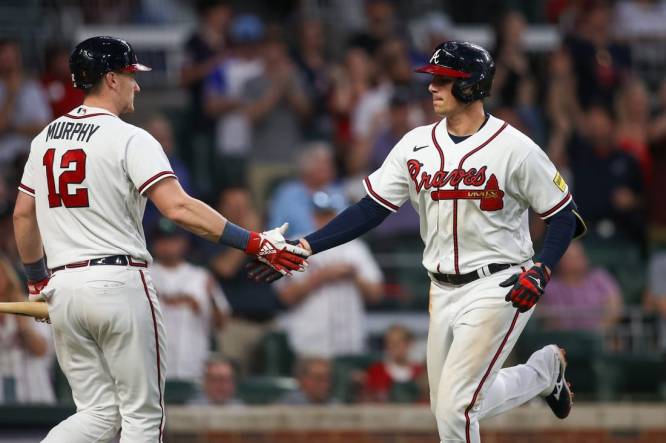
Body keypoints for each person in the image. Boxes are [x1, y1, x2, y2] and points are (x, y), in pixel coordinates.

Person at [250, 41, 587, 442]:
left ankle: (542, 373)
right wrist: (306, 246)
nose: (432, 87)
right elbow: (371, 208)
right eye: (433, 79)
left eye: (445, 80)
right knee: (448, 404)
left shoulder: (515, 148)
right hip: (441, 288)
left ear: (473, 86)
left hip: (500, 284)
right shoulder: (416, 144)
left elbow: (562, 214)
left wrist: (543, 267)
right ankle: (543, 372)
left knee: (455, 408)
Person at [12, 36, 308, 443]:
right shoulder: (130, 137)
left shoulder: (44, 137)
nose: (137, 85)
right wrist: (253, 242)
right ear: (111, 79)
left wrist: (35, 281)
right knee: (142, 418)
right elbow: (179, 209)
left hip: (63, 286)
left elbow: (22, 216)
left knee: (97, 414)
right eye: (131, 75)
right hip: (118, 282)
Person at [276, 191, 383, 358]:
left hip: (349, 343)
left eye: (330, 214)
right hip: (309, 343)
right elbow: (286, 296)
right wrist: (322, 276)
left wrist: (353, 276)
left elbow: (376, 294)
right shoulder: (297, 246)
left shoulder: (355, 248)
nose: (325, 219)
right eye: (321, 214)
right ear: (313, 216)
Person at [150, 218, 230, 383]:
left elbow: (221, 324)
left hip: (195, 368)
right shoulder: (143, 274)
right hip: (151, 370)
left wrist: (211, 298)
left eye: (173, 239)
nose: (167, 245)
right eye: (162, 240)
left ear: (184, 243)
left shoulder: (201, 277)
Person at [0, 255, 55, 404]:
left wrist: (23, 326)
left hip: (33, 390)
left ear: (7, 276)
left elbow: (41, 349)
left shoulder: (28, 305)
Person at [541, 241, 623, 332]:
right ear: (559, 260)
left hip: (598, 337)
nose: (577, 261)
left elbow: (615, 306)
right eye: (570, 258)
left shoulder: (599, 277)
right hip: (562, 338)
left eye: (579, 256)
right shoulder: (550, 285)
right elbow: (543, 317)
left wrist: (598, 331)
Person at [362, 324, 424, 403]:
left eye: (398, 342)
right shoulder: (376, 371)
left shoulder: (420, 373)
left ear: (409, 344)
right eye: (389, 342)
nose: (393, 346)